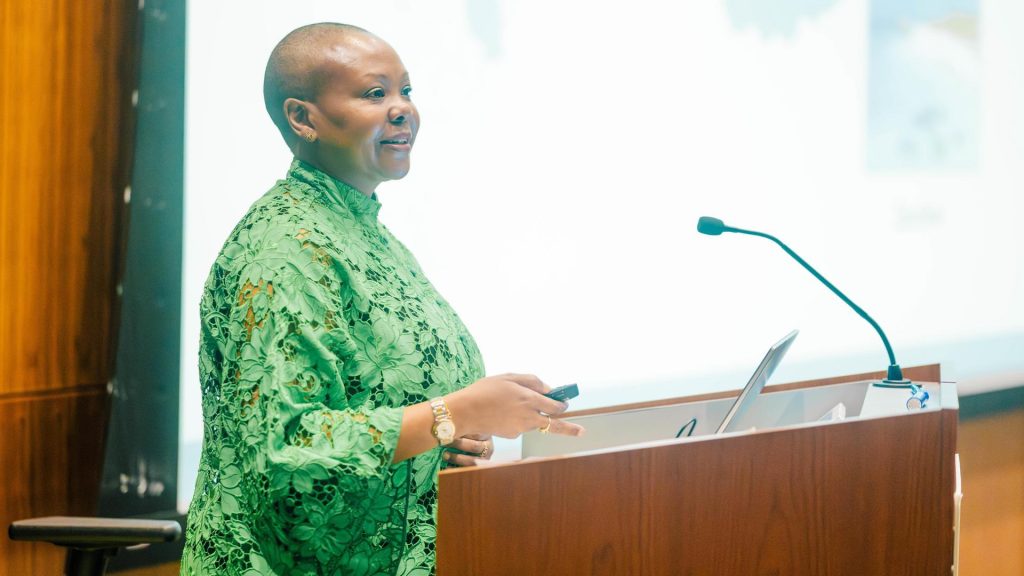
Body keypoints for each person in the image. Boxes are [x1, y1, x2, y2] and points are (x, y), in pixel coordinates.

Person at [180, 22, 584, 576]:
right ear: (304, 118)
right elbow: (287, 452)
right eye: (375, 94)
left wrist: (458, 438)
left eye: (406, 91)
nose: (402, 110)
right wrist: (454, 412)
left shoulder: (362, 231)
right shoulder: (283, 250)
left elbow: (389, 407)